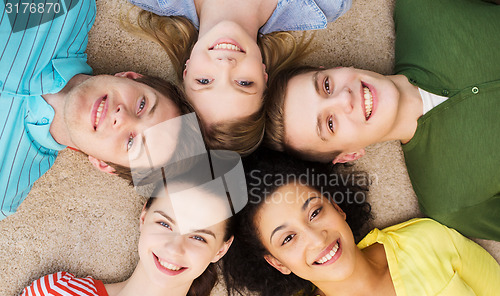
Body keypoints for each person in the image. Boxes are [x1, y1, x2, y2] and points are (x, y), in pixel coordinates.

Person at [262, 0, 500, 240]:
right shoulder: (451, 202)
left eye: (326, 85)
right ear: (349, 155)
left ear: (335, 67)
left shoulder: (422, 7)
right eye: (330, 124)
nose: (344, 98)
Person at [223, 149, 500, 296]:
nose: (317, 239)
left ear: (336, 206)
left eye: (316, 212)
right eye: (288, 238)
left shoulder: (428, 239)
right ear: (277, 263)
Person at [0, 0, 195, 220]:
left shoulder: (4, 188)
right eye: (142, 105)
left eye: (131, 143)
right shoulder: (67, 9)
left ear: (103, 164)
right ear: (130, 77)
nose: (122, 117)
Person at [0, 175, 235, 296]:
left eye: (198, 237)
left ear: (221, 250)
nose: (174, 248)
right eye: (164, 224)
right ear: (144, 217)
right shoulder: (54, 295)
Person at [127, 0, 352, 154]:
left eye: (204, 81)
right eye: (243, 83)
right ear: (264, 76)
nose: (225, 65)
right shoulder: (326, 4)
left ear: (187, 70)